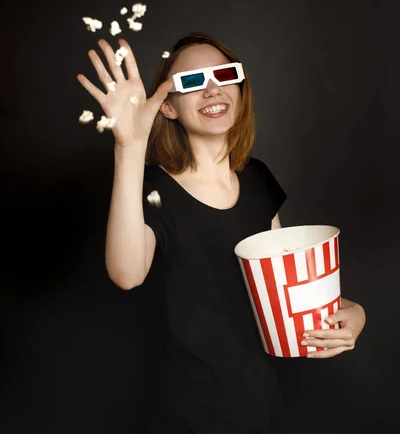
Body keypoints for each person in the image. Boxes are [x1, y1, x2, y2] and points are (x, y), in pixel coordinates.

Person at [77, 32, 366, 434]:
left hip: (260, 408)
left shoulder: (258, 179)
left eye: (223, 74)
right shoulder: (149, 187)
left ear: (239, 88)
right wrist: (129, 146)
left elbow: (279, 292)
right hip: (182, 419)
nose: (212, 88)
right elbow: (127, 274)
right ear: (168, 108)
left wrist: (352, 312)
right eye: (192, 82)